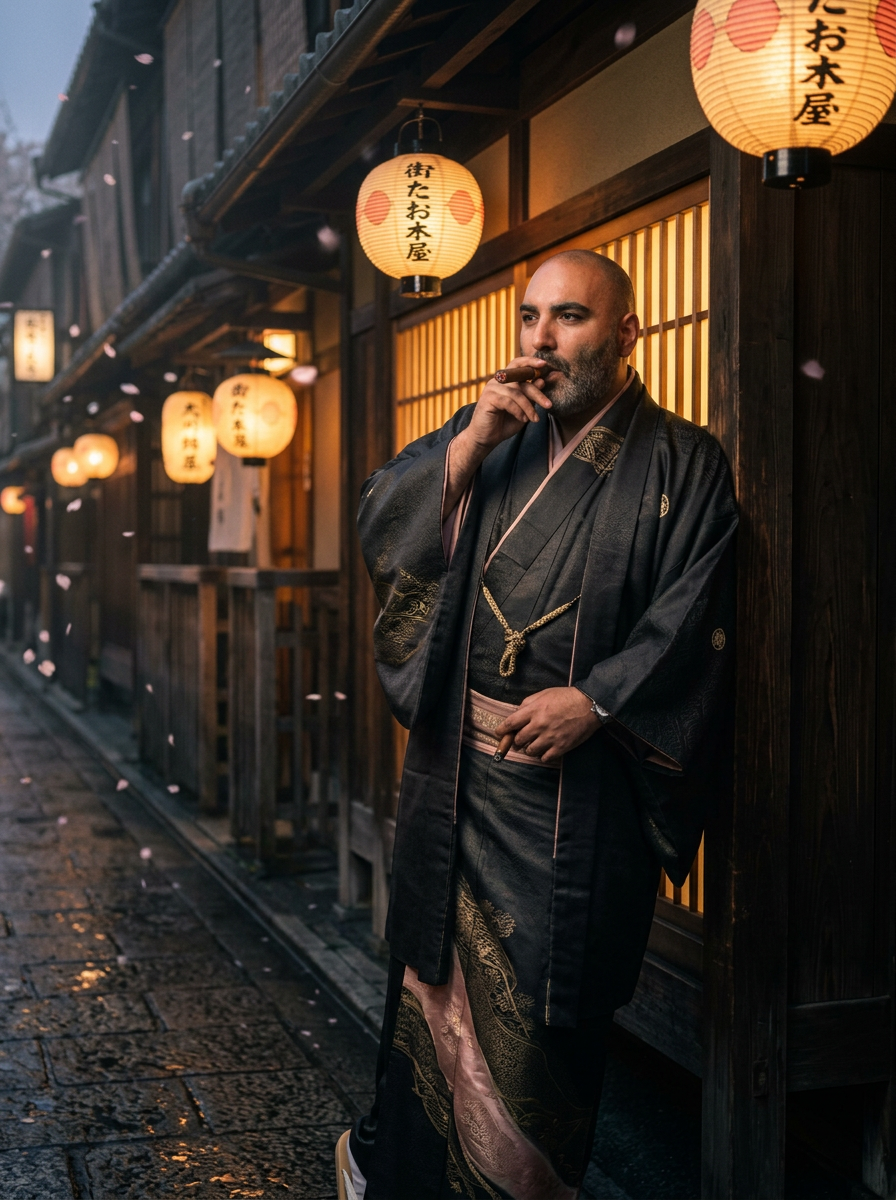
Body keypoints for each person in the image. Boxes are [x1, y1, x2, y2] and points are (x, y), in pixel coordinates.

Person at [335, 250, 737, 1200]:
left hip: (575, 805)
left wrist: (597, 701)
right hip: (455, 781)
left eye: (571, 318)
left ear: (627, 331)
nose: (542, 340)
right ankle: (396, 1175)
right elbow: (381, 527)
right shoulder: (492, 434)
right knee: (427, 994)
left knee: (543, 1033)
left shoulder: (682, 462)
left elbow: (694, 620)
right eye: (529, 319)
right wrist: (466, 446)